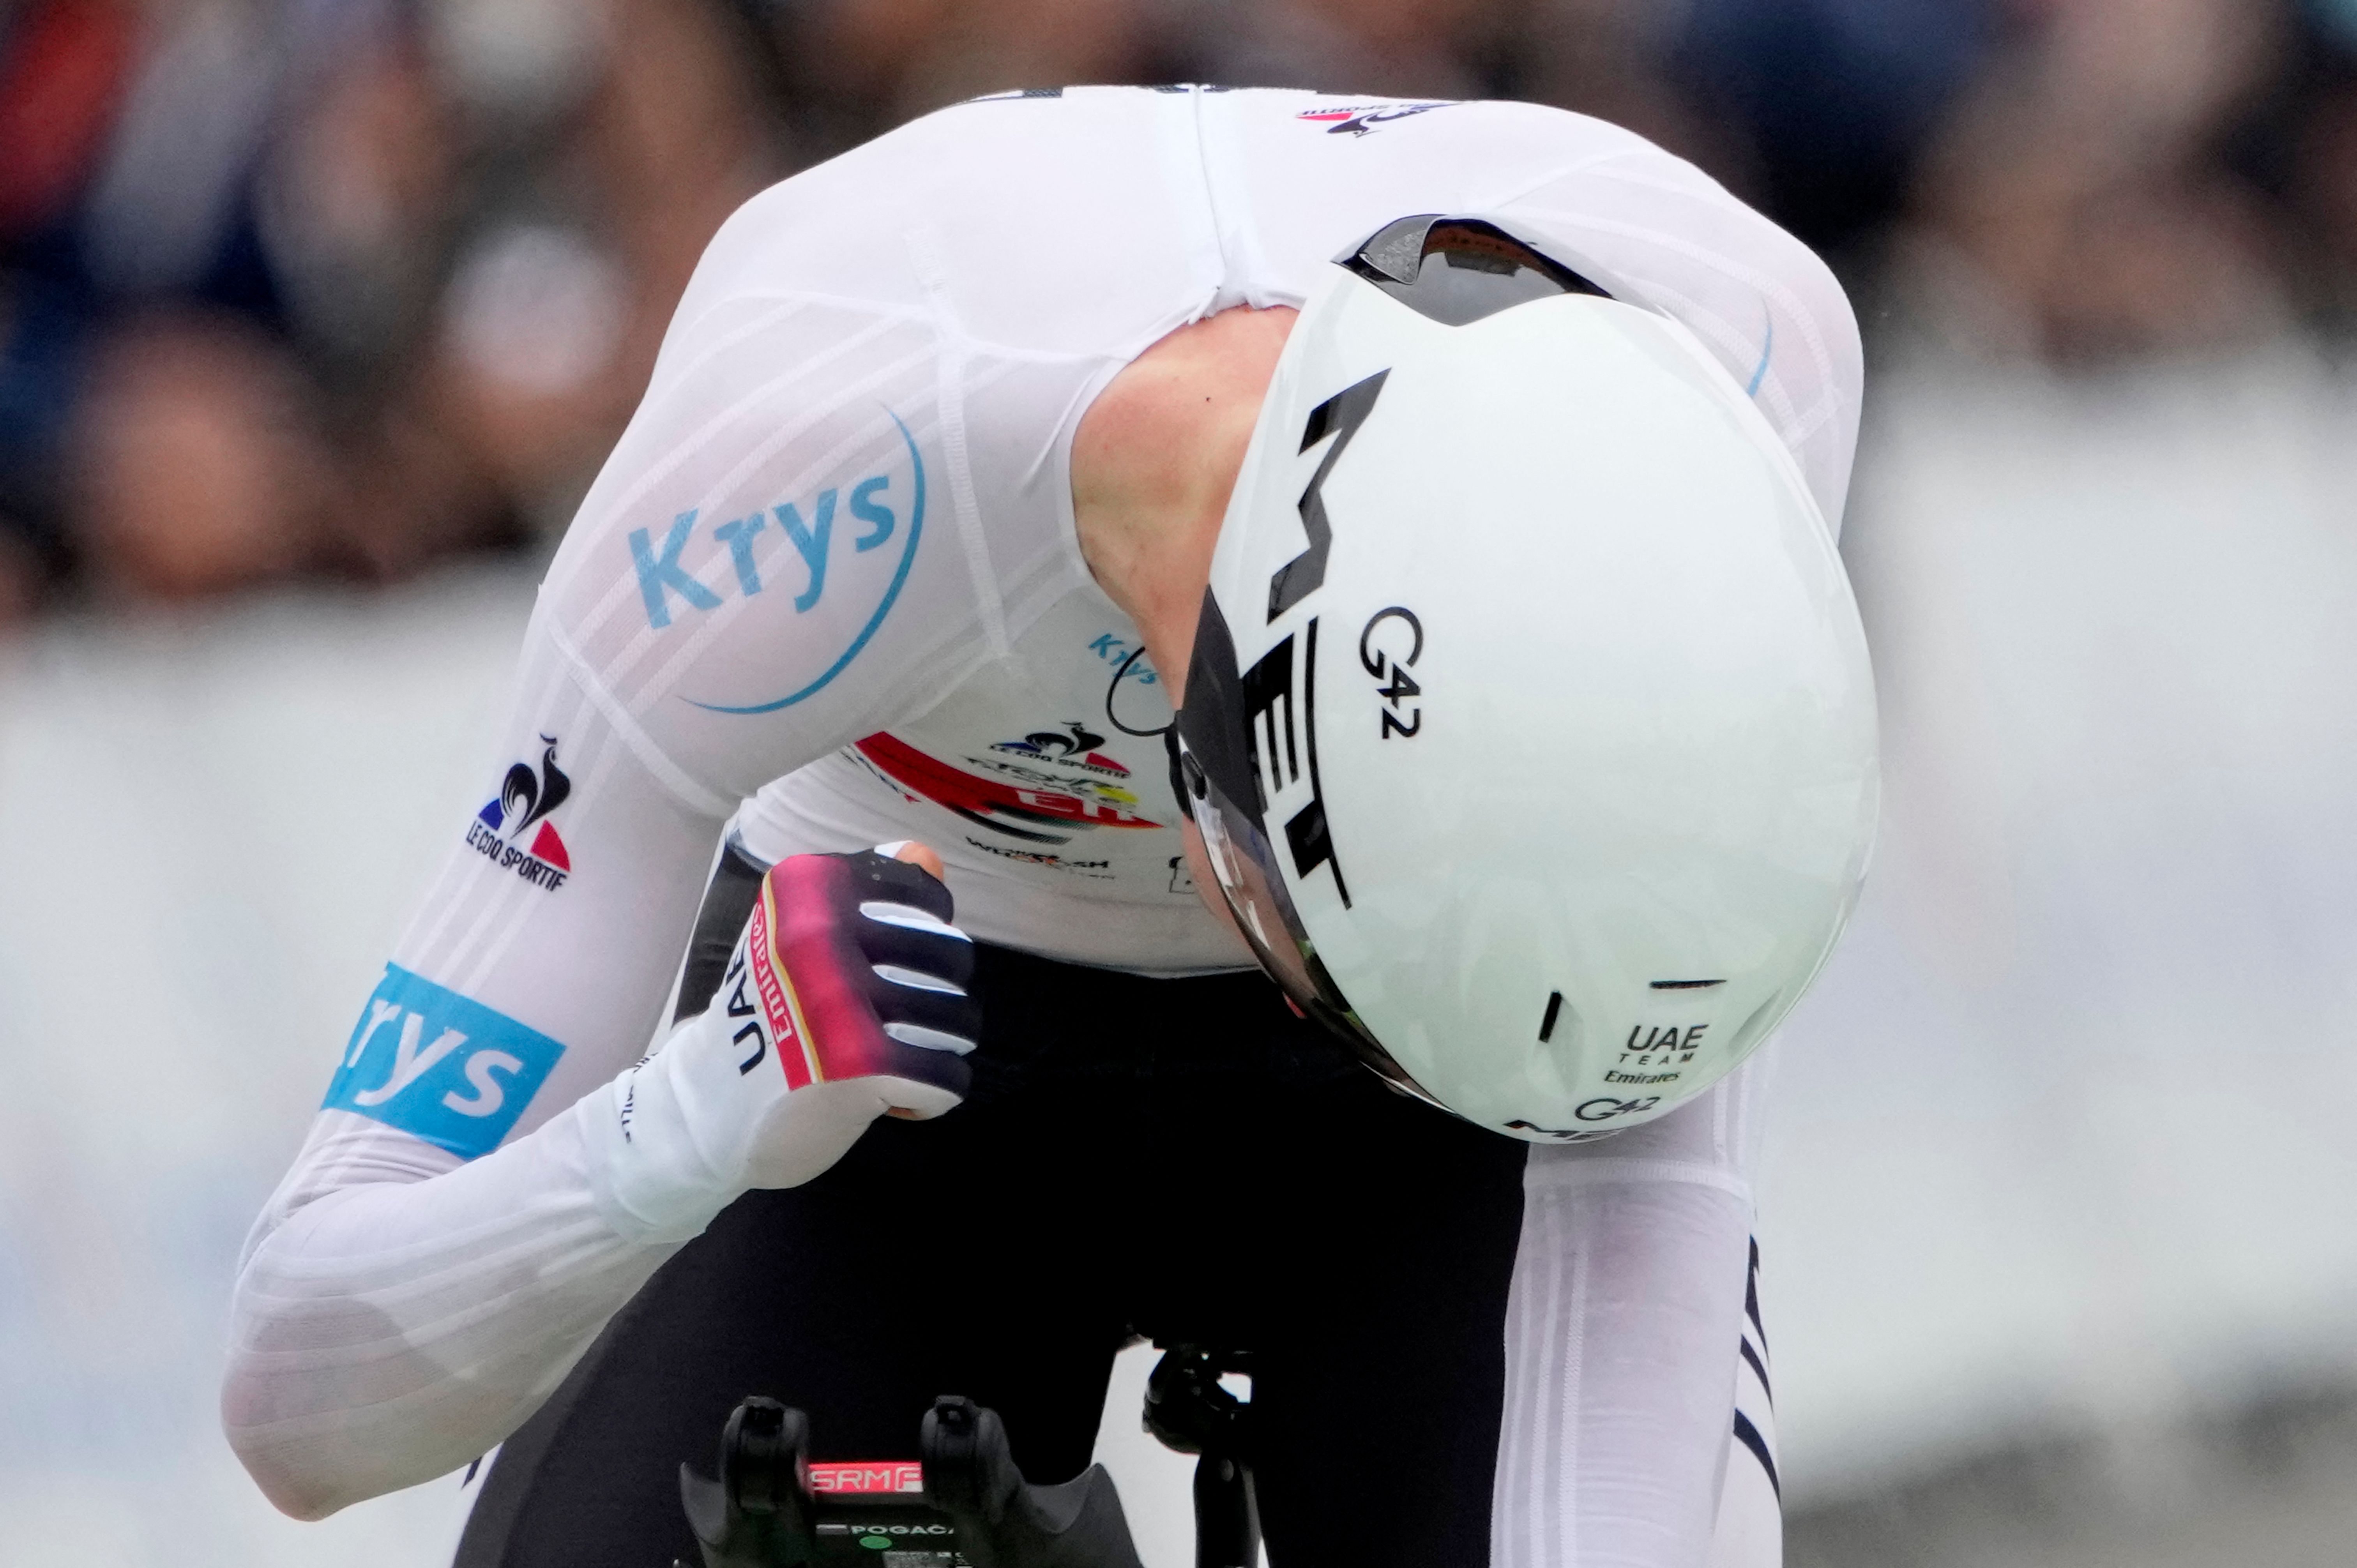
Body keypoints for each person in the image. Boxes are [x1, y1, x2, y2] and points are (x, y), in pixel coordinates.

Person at [222, 85, 1870, 1568]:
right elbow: (298, 1398)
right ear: (1225, 783)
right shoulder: (794, 482)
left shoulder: (1740, 356)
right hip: (897, 1027)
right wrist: (681, 1128)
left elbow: (1647, 1158)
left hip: (1452, 1122)